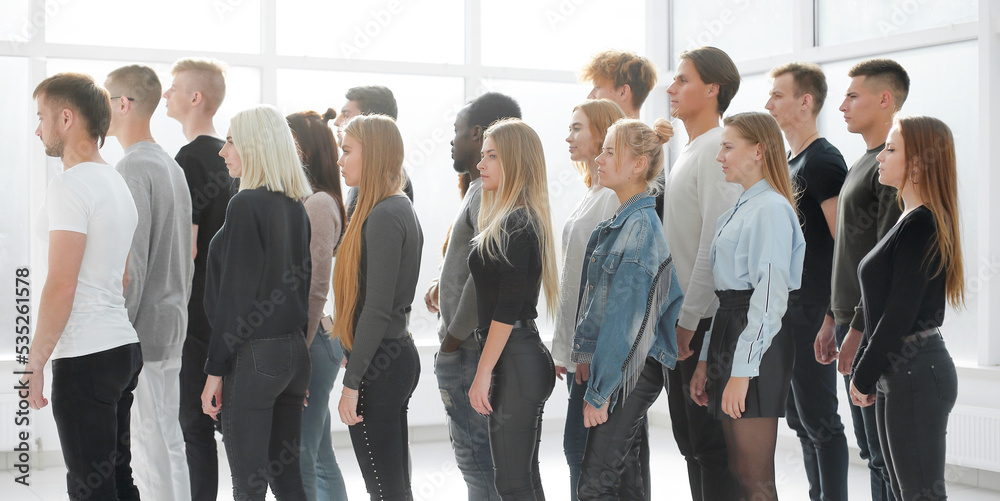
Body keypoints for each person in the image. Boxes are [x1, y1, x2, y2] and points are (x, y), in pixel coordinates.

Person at [25, 72, 143, 501]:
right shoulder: (117, 183)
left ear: (67, 117)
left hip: (87, 356)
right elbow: (124, 276)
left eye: (42, 117)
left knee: (90, 489)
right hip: (121, 348)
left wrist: (34, 362)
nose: (38, 129)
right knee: (116, 479)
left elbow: (61, 283)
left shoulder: (71, 186)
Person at [689, 111, 805, 501]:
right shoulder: (737, 209)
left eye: (727, 146)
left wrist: (742, 372)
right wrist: (706, 360)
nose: (719, 156)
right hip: (729, 330)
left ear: (758, 150)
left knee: (755, 478)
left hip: (755, 342)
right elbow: (724, 299)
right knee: (738, 470)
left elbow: (768, 299)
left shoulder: (770, 209)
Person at [200, 104, 313, 500]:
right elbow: (304, 285)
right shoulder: (294, 205)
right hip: (292, 353)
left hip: (254, 358)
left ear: (253, 147)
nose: (222, 151)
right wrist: (299, 360)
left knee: (248, 485)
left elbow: (235, 299)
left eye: (231, 141)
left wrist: (215, 371)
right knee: (288, 479)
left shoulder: (245, 204)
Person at [849, 115, 962, 501]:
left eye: (891, 149)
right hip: (902, 370)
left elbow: (898, 314)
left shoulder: (922, 225)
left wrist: (862, 374)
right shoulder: (909, 220)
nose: (880, 156)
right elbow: (882, 309)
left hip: (916, 369)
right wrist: (869, 372)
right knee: (903, 492)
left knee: (919, 495)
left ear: (917, 162)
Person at [572, 118, 684, 499]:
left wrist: (600, 392)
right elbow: (601, 306)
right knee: (625, 478)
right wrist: (586, 353)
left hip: (631, 369)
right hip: (627, 365)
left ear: (638, 165)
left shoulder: (638, 230)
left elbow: (628, 324)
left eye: (608, 151)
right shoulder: (623, 222)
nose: (598, 159)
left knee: (595, 482)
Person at [428, 92, 522, 501]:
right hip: (466, 345)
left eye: (456, 131)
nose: (452, 140)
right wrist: (442, 284)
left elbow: (484, 280)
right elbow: (471, 264)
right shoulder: (477, 190)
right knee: (479, 463)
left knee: (477, 464)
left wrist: (451, 340)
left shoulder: (488, 191)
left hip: (467, 348)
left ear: (479, 134)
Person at [105, 64, 194, 501]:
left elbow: (132, 265)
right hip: (171, 323)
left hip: (146, 333)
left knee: (150, 447)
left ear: (123, 104)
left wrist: (119, 337)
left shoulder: (133, 167)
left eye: (105, 100)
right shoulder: (169, 165)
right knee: (167, 440)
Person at [764, 62, 849, 501]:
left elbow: (845, 245)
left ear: (805, 101)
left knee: (821, 421)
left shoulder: (824, 161)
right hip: (793, 311)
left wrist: (832, 317)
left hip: (816, 312)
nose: (768, 104)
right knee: (801, 420)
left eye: (777, 95)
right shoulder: (794, 161)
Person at [662, 46, 742, 501]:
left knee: (710, 448)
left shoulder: (717, 148)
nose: (671, 88)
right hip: (685, 318)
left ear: (712, 89)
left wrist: (690, 320)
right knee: (692, 444)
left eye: (683, 79)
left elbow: (716, 245)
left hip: (703, 322)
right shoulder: (690, 150)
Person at [828, 58, 909, 501]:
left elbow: (884, 264)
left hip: (870, 326)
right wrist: (832, 318)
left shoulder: (890, 168)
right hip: (849, 321)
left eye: (852, 95)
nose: (842, 105)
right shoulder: (864, 162)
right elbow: (849, 254)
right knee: (871, 452)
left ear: (884, 99)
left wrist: (858, 328)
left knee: (883, 454)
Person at [333, 114, 423, 501]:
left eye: (348, 151)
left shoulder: (386, 214)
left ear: (374, 155)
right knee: (393, 487)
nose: (340, 161)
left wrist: (351, 384)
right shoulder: (393, 206)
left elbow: (376, 309)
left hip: (381, 364)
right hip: (390, 355)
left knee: (385, 491)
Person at [467, 118, 559, 500]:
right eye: (482, 155)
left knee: (512, 483)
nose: (480, 164)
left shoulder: (517, 222)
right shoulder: (511, 218)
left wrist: (482, 371)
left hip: (515, 357)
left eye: (492, 156)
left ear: (516, 162)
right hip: (519, 354)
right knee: (522, 478)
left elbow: (507, 308)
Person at [550, 98, 627, 500]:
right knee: (580, 452)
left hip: (595, 356)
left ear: (603, 133)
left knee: (584, 453)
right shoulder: (593, 193)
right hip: (581, 353)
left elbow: (610, 286)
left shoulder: (612, 199)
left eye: (578, 128)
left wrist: (587, 350)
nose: (569, 136)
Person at [164, 56, 232, 500]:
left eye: (173, 88)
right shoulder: (231, 156)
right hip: (229, 310)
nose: (165, 95)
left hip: (196, 315)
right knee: (225, 423)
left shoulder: (188, 159)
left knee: (194, 424)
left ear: (195, 97)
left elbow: (184, 249)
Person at [287, 109, 350, 501]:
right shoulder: (308, 200)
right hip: (312, 339)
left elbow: (315, 287)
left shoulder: (320, 204)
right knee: (318, 453)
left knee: (302, 454)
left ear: (303, 149)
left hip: (313, 343)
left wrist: (298, 354)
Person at [331, 85, 413, 218]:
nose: (337, 122)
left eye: (346, 115)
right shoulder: (363, 177)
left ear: (370, 121)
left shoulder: (389, 184)